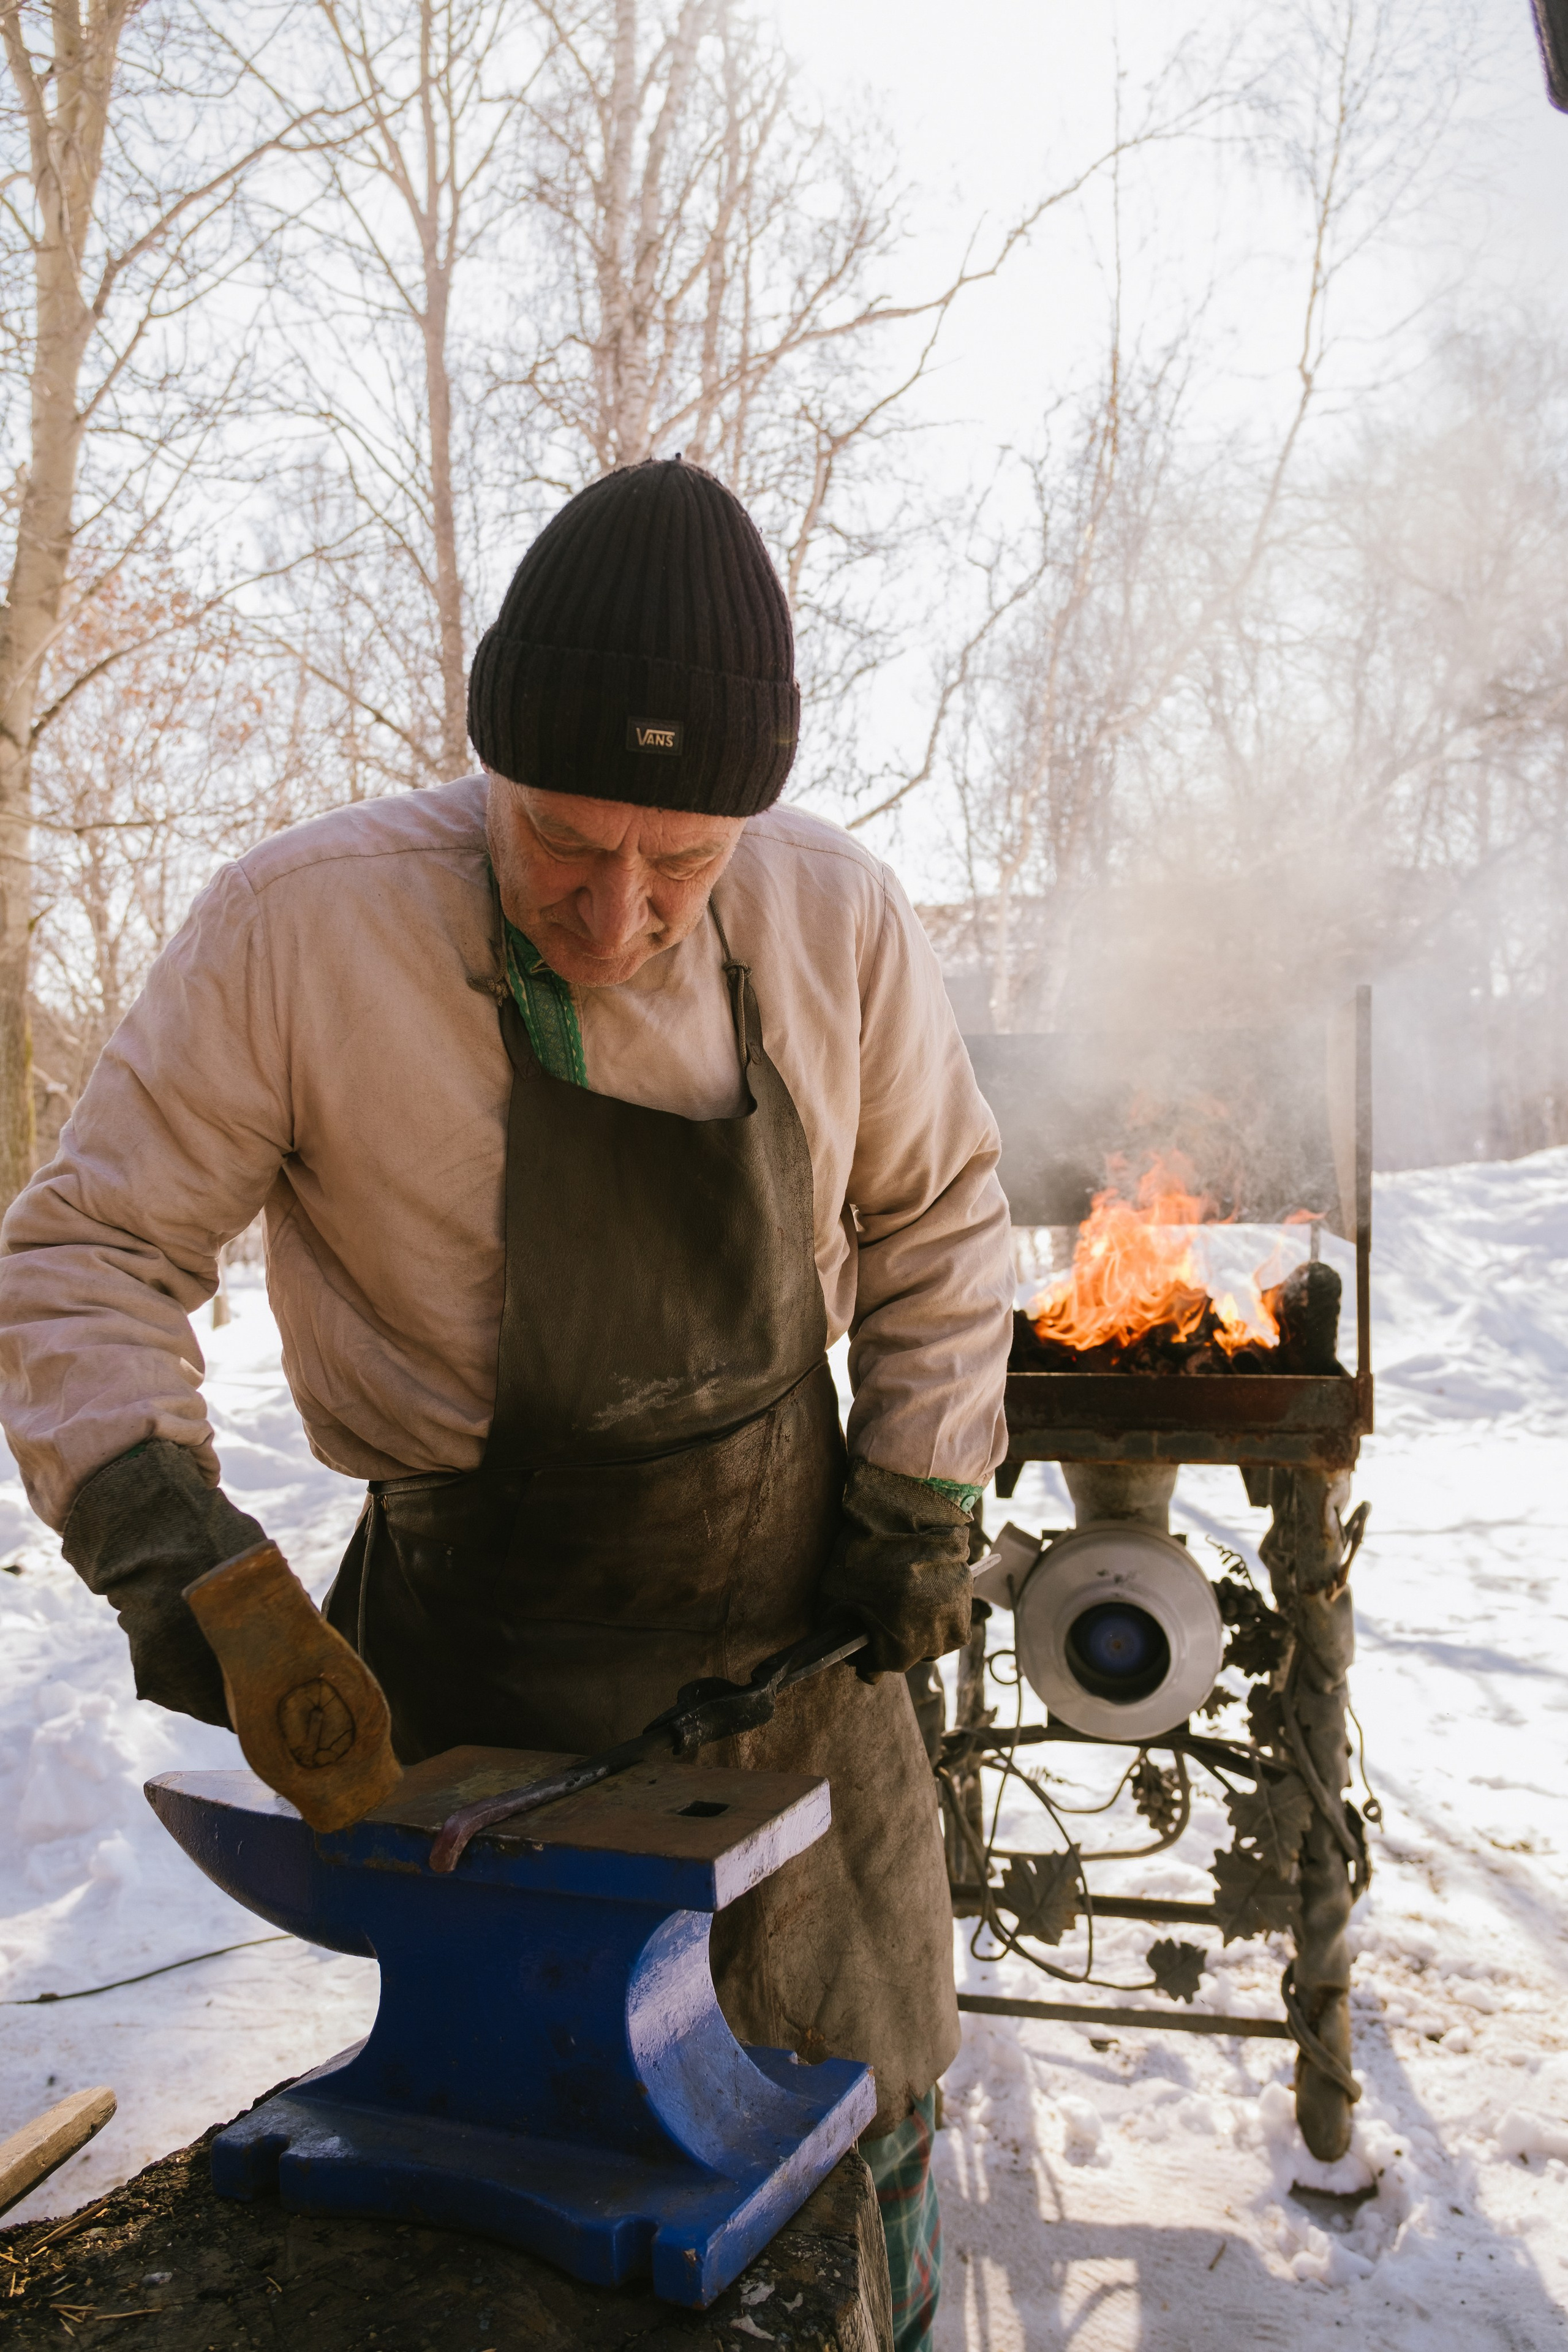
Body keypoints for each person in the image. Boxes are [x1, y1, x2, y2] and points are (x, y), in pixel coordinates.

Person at [0, 459, 1012, 2349]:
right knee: (518, 2204)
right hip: (484, 1691)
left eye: (682, 864)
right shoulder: (301, 932)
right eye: (562, 842)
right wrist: (167, 1540)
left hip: (803, 1657)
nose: (617, 916)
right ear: (491, 768)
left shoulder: (838, 918)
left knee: (860, 2122)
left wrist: (922, 1499)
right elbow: (86, 1256)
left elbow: (944, 1218)